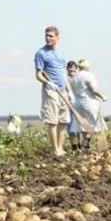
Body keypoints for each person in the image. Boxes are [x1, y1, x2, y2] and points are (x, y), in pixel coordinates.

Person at [34, 26, 71, 157]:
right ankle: (55, 149)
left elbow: (63, 74)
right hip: (51, 91)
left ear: (57, 37)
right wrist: (47, 83)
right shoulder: (41, 53)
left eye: (51, 36)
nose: (48, 38)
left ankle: (60, 148)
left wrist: (69, 91)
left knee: (64, 121)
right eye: (46, 36)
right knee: (53, 121)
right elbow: (38, 74)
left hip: (62, 90)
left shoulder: (61, 53)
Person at [70, 59, 109, 151]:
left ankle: (86, 148)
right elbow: (94, 89)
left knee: (84, 126)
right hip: (89, 102)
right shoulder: (89, 75)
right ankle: (101, 146)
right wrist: (103, 96)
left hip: (78, 104)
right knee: (98, 124)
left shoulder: (75, 77)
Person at [65, 60, 83, 151]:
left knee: (79, 126)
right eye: (70, 68)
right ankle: (74, 146)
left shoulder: (78, 79)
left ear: (76, 69)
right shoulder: (65, 80)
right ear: (67, 69)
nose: (72, 70)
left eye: (74, 68)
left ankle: (80, 144)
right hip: (68, 106)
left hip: (78, 106)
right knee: (71, 127)